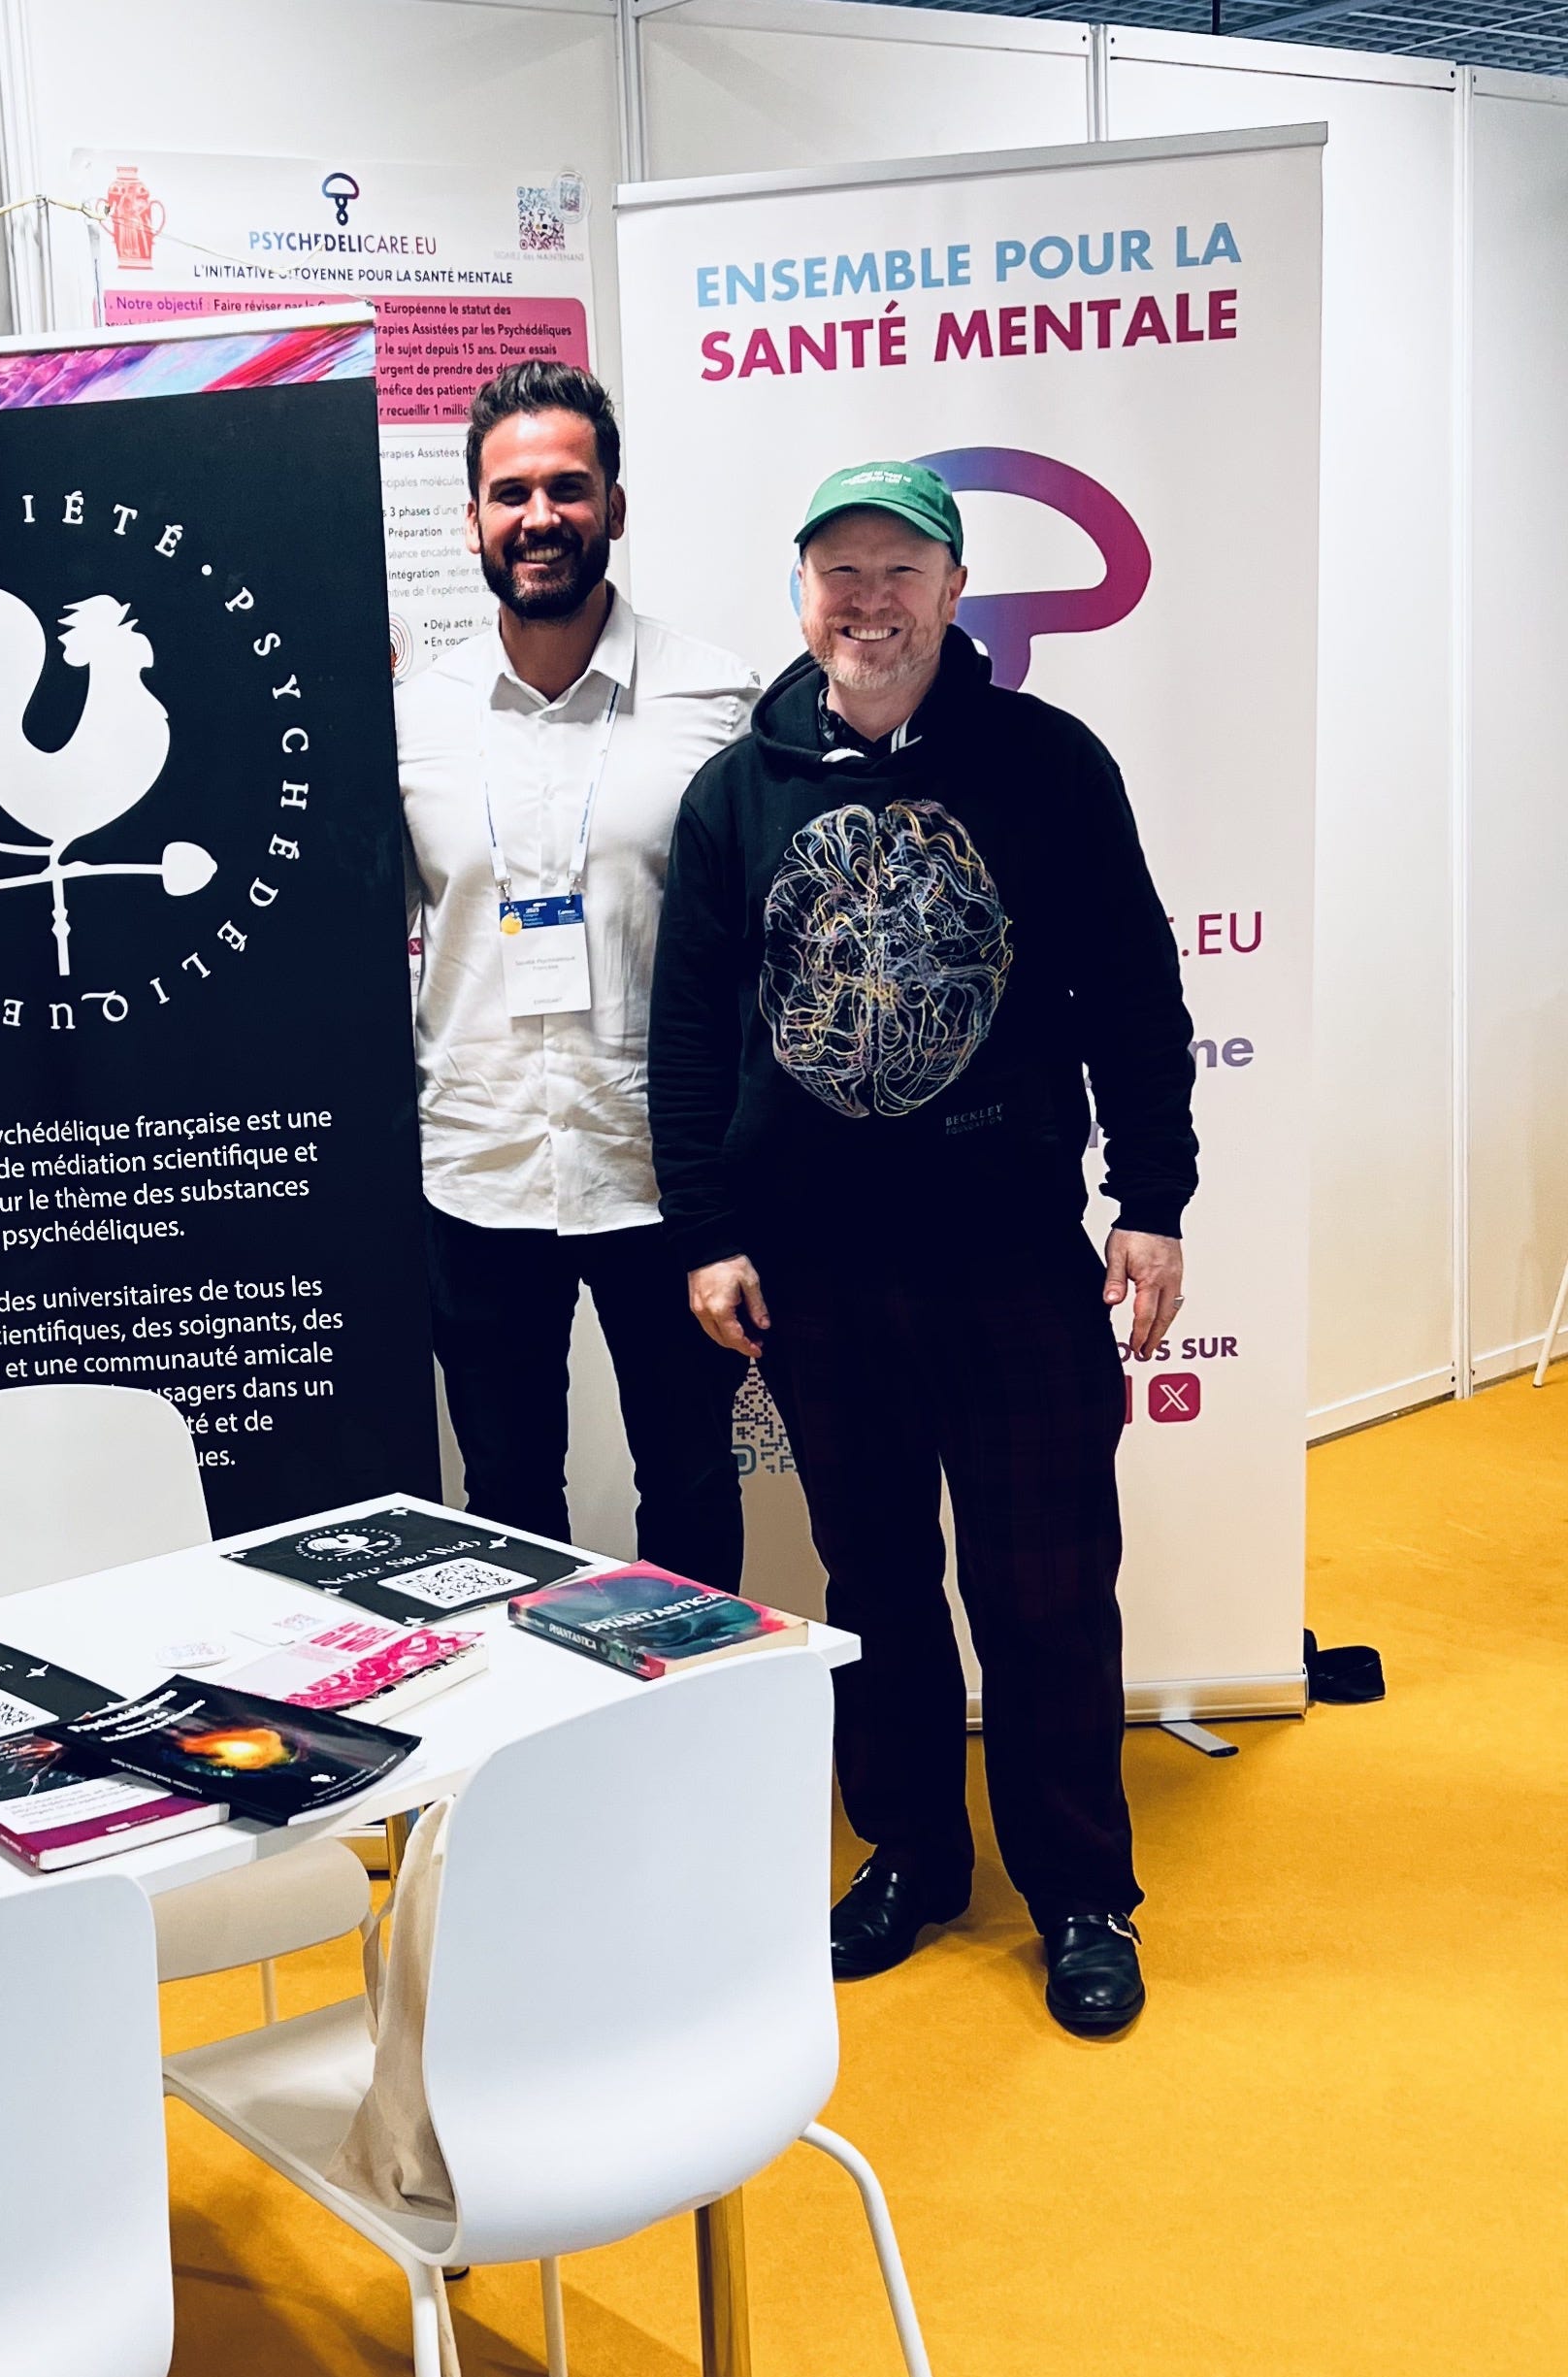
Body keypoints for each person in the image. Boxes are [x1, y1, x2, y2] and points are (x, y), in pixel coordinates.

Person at [646, 461, 1196, 2036]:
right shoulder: (735, 794)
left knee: (1045, 1580)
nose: (869, 601)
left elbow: (1131, 992)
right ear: (801, 594)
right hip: (816, 1268)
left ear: (955, 592)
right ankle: (911, 1855)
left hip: (1006, 1250)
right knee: (874, 1577)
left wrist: (1152, 1195)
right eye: (841, 572)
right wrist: (707, 1227)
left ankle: (1081, 1889)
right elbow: (690, 1030)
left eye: (901, 570)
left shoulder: (1047, 765)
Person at [398, 361, 761, 1589]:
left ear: (613, 503)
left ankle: (687, 1703)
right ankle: (537, 1712)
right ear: (471, 521)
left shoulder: (715, 699)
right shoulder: (409, 722)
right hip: (478, 1167)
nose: (538, 516)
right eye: (510, 494)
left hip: (666, 1174)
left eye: (566, 486)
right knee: (503, 1498)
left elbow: (761, 957)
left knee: (691, 1479)